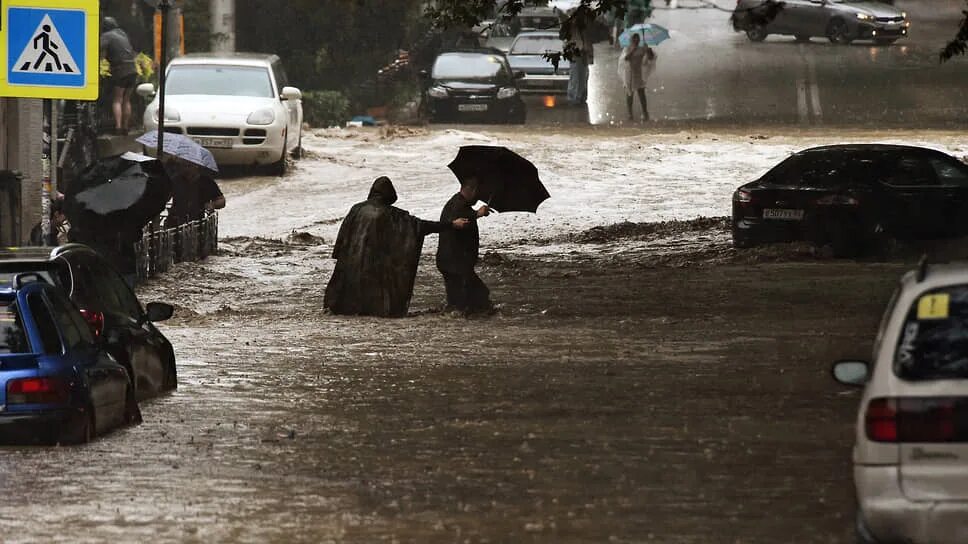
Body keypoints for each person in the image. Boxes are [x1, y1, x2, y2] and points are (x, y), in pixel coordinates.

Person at [324, 176, 470, 317]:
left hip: (351, 267)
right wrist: (451, 224)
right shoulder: (392, 215)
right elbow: (421, 226)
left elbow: (341, 241)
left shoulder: (356, 209)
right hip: (373, 271)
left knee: (350, 307)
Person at [436, 177, 493, 316]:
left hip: (450, 261)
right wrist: (477, 214)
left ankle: (454, 322)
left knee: (459, 302)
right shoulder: (457, 205)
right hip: (455, 263)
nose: (478, 197)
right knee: (479, 297)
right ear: (471, 190)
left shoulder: (456, 202)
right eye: (477, 193)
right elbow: (459, 219)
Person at [160, 155, 226, 227]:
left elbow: (221, 200)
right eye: (183, 166)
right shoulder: (175, 180)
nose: (186, 169)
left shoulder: (207, 182)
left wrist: (212, 205)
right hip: (176, 220)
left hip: (199, 220)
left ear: (196, 166)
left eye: (189, 166)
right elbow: (165, 198)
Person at [100, 17, 137, 135]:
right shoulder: (122, 33)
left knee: (117, 100)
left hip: (121, 69)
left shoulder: (107, 36)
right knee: (127, 100)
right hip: (133, 69)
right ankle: (126, 127)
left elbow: (95, 49)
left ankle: (118, 127)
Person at [619, 33, 656, 122]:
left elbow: (651, 58)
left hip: (638, 73)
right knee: (629, 93)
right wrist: (633, 49)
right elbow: (626, 59)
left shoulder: (641, 49)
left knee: (641, 93)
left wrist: (648, 50)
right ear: (631, 40)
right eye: (634, 39)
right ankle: (630, 113)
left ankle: (645, 112)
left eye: (637, 39)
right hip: (629, 73)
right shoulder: (627, 49)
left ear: (639, 40)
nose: (636, 41)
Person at [567, 12, 596, 106]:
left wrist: (589, 56)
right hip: (576, 56)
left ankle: (581, 97)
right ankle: (574, 97)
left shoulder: (585, 30)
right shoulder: (572, 30)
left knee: (584, 77)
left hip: (583, 56)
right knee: (576, 77)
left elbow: (589, 44)